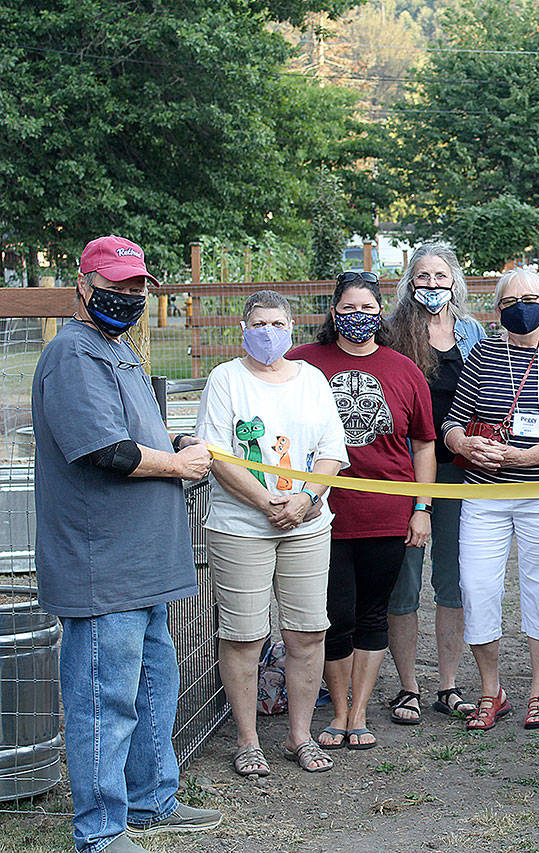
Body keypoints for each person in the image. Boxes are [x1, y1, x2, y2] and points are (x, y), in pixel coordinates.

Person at [32, 236, 222, 852]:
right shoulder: (72, 354)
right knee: (103, 698)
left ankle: (149, 800)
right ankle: (100, 830)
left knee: (153, 686)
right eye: (115, 285)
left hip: (143, 561)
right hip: (101, 563)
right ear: (83, 285)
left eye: (137, 286)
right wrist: (178, 465)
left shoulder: (120, 352)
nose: (128, 295)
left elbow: (138, 433)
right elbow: (103, 450)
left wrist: (179, 452)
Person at [196, 290, 349, 776]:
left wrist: (304, 501)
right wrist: (266, 503)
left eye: (277, 323)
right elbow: (216, 454)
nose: (268, 332)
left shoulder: (312, 380)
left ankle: (299, 736)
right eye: (258, 323)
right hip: (241, 526)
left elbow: (331, 450)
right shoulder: (225, 380)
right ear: (243, 327)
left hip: (307, 524)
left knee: (307, 631)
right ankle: (247, 741)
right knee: (243, 634)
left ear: (291, 327)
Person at [292, 271, 436, 751]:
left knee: (374, 613)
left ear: (381, 314)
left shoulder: (403, 369)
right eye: (349, 309)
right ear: (334, 312)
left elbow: (423, 445)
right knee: (334, 613)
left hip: (387, 513)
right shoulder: (302, 364)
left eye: (367, 309)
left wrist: (423, 507)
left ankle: (359, 714)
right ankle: (335, 711)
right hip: (321, 513)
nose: (358, 317)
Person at [442, 268, 539, 730]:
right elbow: (452, 423)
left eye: (531, 296)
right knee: (478, 590)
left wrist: (523, 458)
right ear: (496, 309)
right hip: (484, 494)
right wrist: (464, 445)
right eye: (509, 300)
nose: (521, 306)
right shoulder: (481, 354)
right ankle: (490, 689)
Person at [383, 243, 486, 723]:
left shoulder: (473, 334)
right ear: (409, 282)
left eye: (439, 275)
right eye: (421, 276)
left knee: (454, 581)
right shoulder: (391, 334)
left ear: (454, 281)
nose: (431, 284)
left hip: (461, 473)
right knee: (403, 582)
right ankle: (407, 687)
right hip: (404, 472)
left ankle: (447, 683)